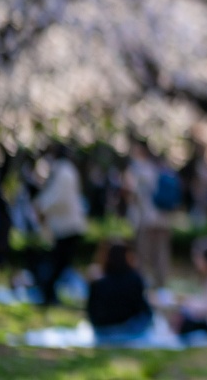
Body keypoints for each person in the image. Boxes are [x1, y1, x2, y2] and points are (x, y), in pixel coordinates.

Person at [34, 143, 88, 306]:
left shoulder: (63, 171)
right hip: (65, 225)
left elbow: (57, 197)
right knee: (58, 263)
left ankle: (48, 293)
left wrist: (40, 205)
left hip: (67, 225)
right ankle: (48, 293)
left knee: (59, 263)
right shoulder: (64, 170)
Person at [126, 142, 172, 289]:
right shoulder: (160, 169)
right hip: (163, 220)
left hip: (146, 220)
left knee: (144, 254)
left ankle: (142, 284)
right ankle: (160, 284)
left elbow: (133, 195)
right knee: (160, 254)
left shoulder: (138, 169)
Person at [87, 243, 153, 343]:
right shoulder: (134, 279)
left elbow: (91, 310)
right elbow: (142, 308)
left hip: (102, 330)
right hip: (129, 329)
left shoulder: (98, 282)